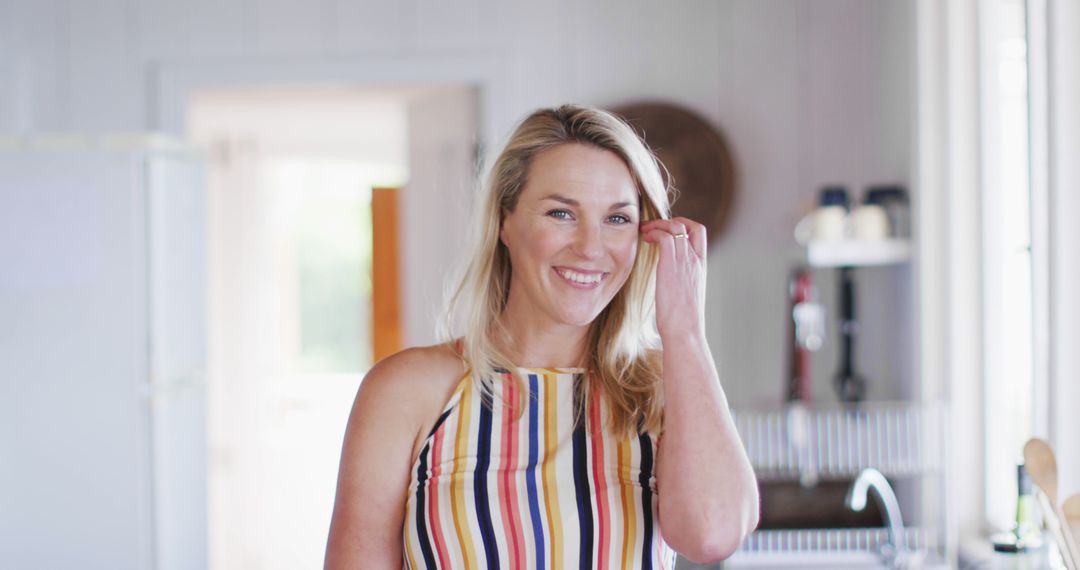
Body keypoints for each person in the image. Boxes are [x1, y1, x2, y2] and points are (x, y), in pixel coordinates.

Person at [324, 104, 759, 569]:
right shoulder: (408, 391)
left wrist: (686, 331)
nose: (591, 248)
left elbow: (713, 536)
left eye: (617, 219)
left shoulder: (661, 386)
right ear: (505, 222)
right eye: (561, 213)